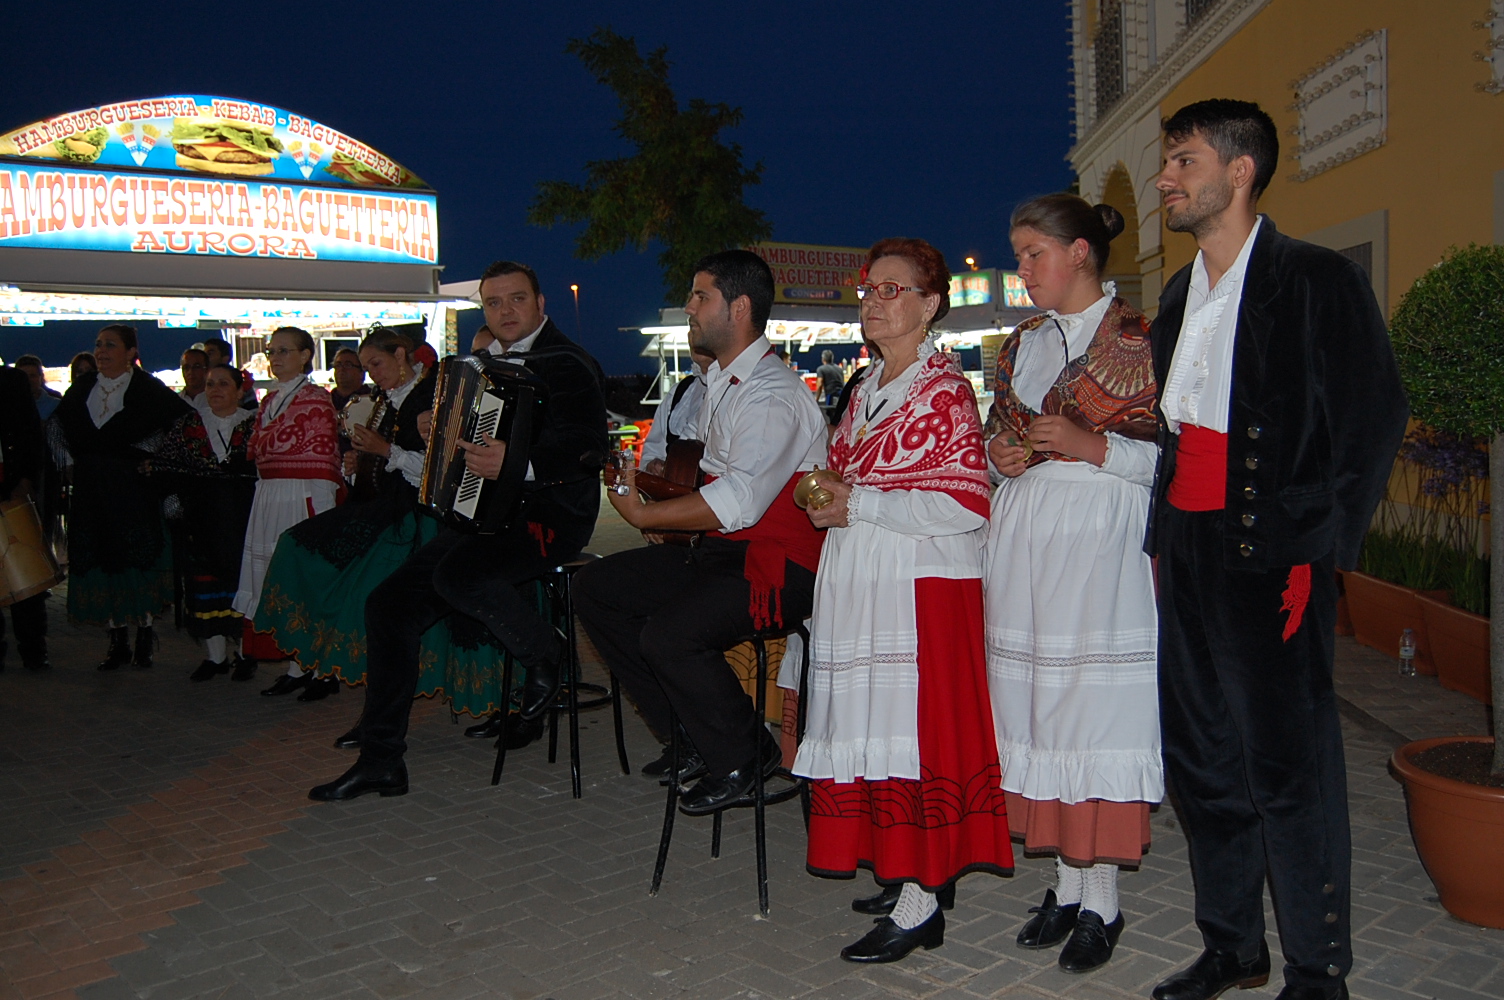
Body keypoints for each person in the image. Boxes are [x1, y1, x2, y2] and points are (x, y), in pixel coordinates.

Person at [1143, 100, 1406, 1000]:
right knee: (1203, 762)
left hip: (1272, 554)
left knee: (1288, 770)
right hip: (1186, 548)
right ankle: (1233, 946)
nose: (1166, 180)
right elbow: (1179, 434)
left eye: (1181, 161)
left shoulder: (1316, 278)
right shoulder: (1180, 294)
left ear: (1240, 169)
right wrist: (1160, 543)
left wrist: (1319, 551)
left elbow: (1372, 417)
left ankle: (1316, 967)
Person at [307, 260, 608, 800]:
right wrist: (435, 425)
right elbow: (462, 437)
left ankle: (548, 655)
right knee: (389, 604)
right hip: (484, 514)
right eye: (494, 303)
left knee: (459, 577)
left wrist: (518, 465)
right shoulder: (480, 364)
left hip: (550, 515)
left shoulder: (568, 364)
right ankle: (382, 760)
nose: (505, 311)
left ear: (541, 304)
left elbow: (588, 449)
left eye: (517, 299)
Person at [792, 238, 1012, 964]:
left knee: (915, 737)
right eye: (869, 288)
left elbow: (962, 504)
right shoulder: (865, 389)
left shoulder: (943, 390)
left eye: (892, 290)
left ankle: (923, 900)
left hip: (921, 593)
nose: (873, 300)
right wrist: (831, 502)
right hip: (866, 583)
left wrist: (862, 504)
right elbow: (853, 484)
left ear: (930, 305)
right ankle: (903, 871)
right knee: (876, 728)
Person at [574, 249, 826, 814]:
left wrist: (643, 516)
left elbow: (739, 499)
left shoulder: (772, 391)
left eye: (699, 295)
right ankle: (690, 735)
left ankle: (745, 754)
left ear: (738, 308)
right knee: (596, 590)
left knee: (669, 634)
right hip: (724, 555)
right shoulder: (723, 383)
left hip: (779, 567)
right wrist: (647, 491)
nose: (688, 306)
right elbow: (709, 489)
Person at [980, 194, 1161, 974]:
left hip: (1100, 545)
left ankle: (1104, 902)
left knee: (1092, 715)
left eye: (1034, 253)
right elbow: (996, 431)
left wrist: (1095, 448)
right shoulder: (1021, 343)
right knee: (1037, 711)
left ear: (1081, 252)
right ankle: (1062, 883)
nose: (1022, 269)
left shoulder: (1144, 339)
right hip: (1025, 548)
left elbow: (1177, 461)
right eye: (1018, 253)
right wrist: (1003, 457)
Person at [255, 327, 441, 708]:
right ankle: (316, 666)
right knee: (298, 545)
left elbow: (436, 472)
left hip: (410, 517)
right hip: (380, 507)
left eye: (376, 363)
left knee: (365, 598)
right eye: (367, 366)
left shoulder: (427, 397)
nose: (372, 373)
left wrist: (383, 451)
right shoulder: (385, 400)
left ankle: (371, 694)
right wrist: (361, 462)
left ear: (401, 355)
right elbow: (384, 461)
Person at [54, 325, 191, 668]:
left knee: (135, 556)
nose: (101, 351)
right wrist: (71, 464)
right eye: (98, 345)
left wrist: (154, 458)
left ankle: (144, 632)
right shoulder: (83, 386)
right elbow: (59, 429)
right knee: (100, 555)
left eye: (110, 345)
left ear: (131, 352)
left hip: (132, 488)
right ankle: (117, 639)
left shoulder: (147, 388)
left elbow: (184, 423)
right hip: (91, 488)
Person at [232, 327, 342, 692]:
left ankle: (321, 668)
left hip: (301, 498)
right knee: (277, 582)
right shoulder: (269, 401)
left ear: (306, 355)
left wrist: (324, 518)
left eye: (284, 350)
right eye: (271, 350)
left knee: (304, 581)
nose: (275, 357)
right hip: (270, 496)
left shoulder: (315, 400)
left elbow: (323, 459)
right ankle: (298, 666)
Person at [146, 365, 258, 680]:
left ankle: (246, 654)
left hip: (243, 520)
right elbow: (166, 471)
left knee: (243, 586)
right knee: (205, 587)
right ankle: (215, 657)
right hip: (200, 522)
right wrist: (175, 508)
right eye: (210, 384)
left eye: (224, 384)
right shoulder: (186, 426)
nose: (215, 390)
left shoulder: (255, 426)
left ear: (240, 390)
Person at [0, 363, 49, 670]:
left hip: (14, 490)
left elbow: (31, 435)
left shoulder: (11, 380)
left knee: (26, 575)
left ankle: (33, 649)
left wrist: (26, 481)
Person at [638, 345, 712, 475]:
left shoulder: (740, 389)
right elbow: (652, 449)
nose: (692, 336)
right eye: (692, 328)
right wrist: (652, 466)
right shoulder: (681, 390)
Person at [200, 337, 258, 409]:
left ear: (225, 359)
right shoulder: (200, 382)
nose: (205, 358)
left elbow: (252, 411)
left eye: (210, 354)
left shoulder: (241, 383)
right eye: (210, 385)